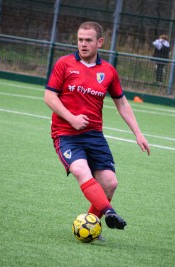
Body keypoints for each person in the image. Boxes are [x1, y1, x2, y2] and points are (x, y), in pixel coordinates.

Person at [44, 21, 150, 232]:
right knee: (81, 170)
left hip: (94, 136)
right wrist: (71, 118)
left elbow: (121, 102)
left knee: (110, 183)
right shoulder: (64, 64)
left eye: (88, 40)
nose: (83, 44)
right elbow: (49, 96)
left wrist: (138, 133)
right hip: (66, 134)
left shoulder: (108, 71)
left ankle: (91, 223)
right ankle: (109, 212)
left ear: (99, 42)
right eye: (80, 40)